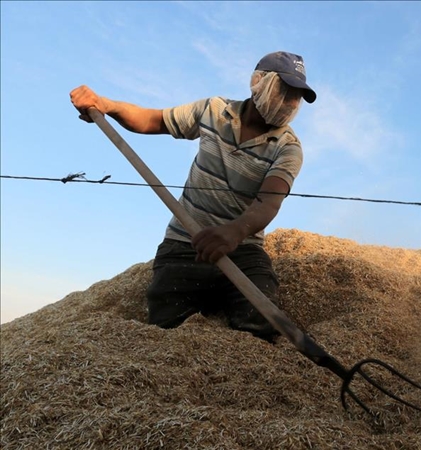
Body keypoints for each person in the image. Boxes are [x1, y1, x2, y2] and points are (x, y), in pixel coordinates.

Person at [70, 51, 316, 342]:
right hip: (185, 242)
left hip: (243, 249)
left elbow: (269, 201)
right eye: (284, 90)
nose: (289, 103)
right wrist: (107, 106)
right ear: (258, 81)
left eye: (296, 97)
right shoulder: (214, 110)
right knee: (167, 322)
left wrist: (234, 232)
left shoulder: (288, 148)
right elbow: (152, 120)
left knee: (261, 321)